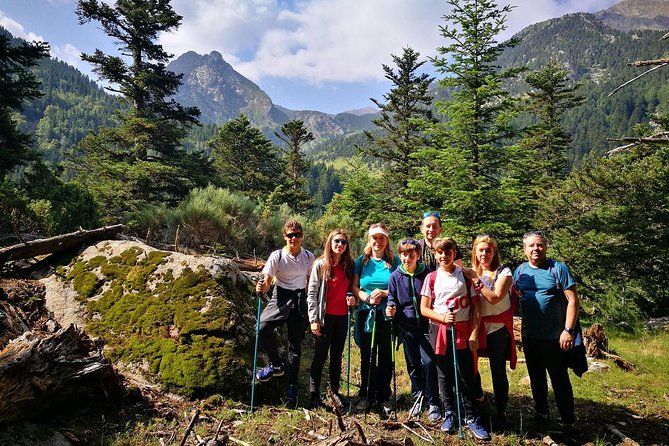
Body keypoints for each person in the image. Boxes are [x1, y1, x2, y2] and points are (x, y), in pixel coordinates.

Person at [420, 238, 490, 441]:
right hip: (441, 330)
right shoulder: (431, 278)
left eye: (448, 252)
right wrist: (442, 318)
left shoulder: (466, 275)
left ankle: (471, 416)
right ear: (435, 254)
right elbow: (425, 309)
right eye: (440, 253)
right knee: (443, 373)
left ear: (454, 253)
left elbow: (476, 307)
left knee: (466, 373)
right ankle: (449, 412)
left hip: (463, 330)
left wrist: (474, 333)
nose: (444, 256)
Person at [514, 231, 579, 431]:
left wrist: (568, 330)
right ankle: (542, 413)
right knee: (536, 377)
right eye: (531, 246)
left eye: (539, 245)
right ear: (524, 249)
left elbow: (573, 300)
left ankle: (568, 420)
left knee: (559, 379)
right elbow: (516, 298)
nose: (536, 249)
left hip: (555, 337)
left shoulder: (557, 269)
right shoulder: (520, 271)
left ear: (545, 247)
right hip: (530, 336)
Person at [255, 220, 315, 407]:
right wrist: (262, 287)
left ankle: (292, 387)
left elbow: (309, 281)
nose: (294, 238)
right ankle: (276, 365)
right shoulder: (277, 256)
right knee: (262, 328)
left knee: (295, 346)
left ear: (302, 236)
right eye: (290, 235)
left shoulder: (309, 257)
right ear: (285, 237)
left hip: (300, 300)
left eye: (297, 234)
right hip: (280, 296)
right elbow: (267, 280)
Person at [463, 235, 517, 431]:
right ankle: (479, 399)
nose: (484, 254)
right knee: (471, 366)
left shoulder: (504, 272)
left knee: (497, 370)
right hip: (476, 326)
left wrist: (476, 280)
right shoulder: (470, 272)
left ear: (494, 252)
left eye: (488, 250)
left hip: (497, 328)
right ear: (475, 252)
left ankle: (501, 411)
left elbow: (494, 298)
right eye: (481, 250)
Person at [386, 239, 441, 421]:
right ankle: (418, 397)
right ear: (399, 255)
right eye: (404, 254)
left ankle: (433, 400)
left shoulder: (427, 273)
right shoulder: (395, 276)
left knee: (429, 363)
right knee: (413, 364)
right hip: (406, 326)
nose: (407, 258)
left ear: (418, 255)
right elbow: (392, 298)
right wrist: (391, 307)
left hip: (426, 326)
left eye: (411, 255)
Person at [352, 223, 399, 415]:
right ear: (369, 240)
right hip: (366, 312)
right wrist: (365, 297)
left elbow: (398, 286)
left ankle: (384, 396)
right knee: (367, 356)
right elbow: (355, 286)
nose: (378, 241)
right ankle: (366, 394)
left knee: (386, 357)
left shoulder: (394, 261)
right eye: (374, 238)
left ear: (387, 240)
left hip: (387, 314)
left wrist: (385, 293)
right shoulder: (361, 261)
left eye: (381, 238)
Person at [306, 229, 355, 408]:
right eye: (337, 241)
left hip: (342, 318)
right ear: (330, 243)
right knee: (320, 356)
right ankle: (314, 395)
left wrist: (352, 299)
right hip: (324, 318)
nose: (340, 245)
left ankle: (335, 392)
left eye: (343, 242)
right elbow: (311, 293)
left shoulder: (349, 265)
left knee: (336, 356)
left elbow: (351, 289)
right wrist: (313, 319)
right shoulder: (320, 265)